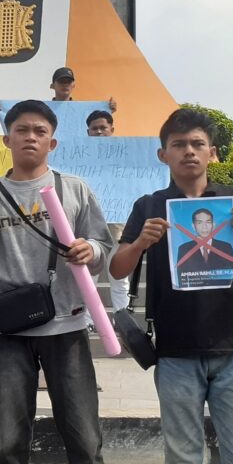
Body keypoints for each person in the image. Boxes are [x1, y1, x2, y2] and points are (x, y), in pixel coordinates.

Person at [110, 108, 233, 464]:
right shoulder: (150, 206)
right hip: (174, 351)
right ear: (163, 155)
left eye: (197, 144)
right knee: (183, 461)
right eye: (178, 144)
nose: (188, 151)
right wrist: (141, 241)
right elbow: (117, 268)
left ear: (212, 152)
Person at [0, 100, 112, 464]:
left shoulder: (75, 189)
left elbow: (105, 247)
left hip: (67, 325)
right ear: (7, 140)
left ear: (52, 143)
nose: (31, 138)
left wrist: (91, 249)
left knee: (84, 438)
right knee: (10, 442)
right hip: (11, 331)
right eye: (22, 130)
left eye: (40, 132)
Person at [85, 110, 128, 313]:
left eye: (103, 128)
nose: (99, 132)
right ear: (88, 132)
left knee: (119, 277)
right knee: (88, 278)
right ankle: (87, 320)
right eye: (95, 129)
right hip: (89, 230)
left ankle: (122, 320)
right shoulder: (80, 157)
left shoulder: (125, 156)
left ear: (112, 129)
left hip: (117, 229)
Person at [0, 67, 117, 113]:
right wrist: (3, 110)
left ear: (74, 85)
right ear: (52, 86)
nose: (65, 85)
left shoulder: (84, 111)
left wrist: (109, 109)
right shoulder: (44, 110)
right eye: (61, 82)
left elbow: (98, 126)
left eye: (68, 82)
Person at [177, 208, 233, 273]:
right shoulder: (184, 249)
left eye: (208, 222)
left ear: (213, 225)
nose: (204, 226)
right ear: (193, 226)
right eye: (199, 223)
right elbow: (182, 278)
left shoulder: (226, 247)